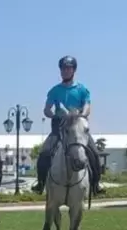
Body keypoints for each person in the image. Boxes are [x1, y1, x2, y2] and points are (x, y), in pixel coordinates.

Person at [31, 56, 104, 195]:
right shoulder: (54, 90)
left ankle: (96, 184)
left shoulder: (82, 89)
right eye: (63, 68)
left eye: (68, 68)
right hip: (59, 128)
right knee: (44, 152)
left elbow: (87, 106)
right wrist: (54, 114)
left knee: (94, 152)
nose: (65, 71)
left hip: (78, 128)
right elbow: (46, 109)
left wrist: (81, 115)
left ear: (73, 70)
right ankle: (40, 183)